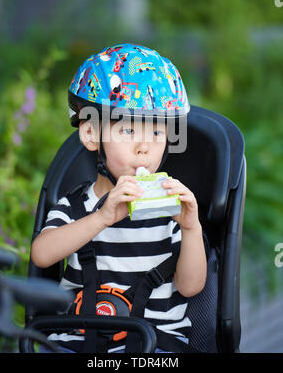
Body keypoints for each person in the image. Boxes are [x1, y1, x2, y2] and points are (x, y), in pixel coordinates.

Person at [31, 43, 207, 353]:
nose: (144, 147)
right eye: (127, 131)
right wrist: (102, 218)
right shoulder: (74, 208)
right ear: (90, 135)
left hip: (154, 344)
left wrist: (191, 228)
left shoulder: (170, 212)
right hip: (76, 341)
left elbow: (191, 287)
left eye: (156, 132)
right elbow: (42, 256)